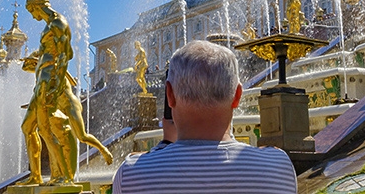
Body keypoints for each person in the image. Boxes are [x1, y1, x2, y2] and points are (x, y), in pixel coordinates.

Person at [112, 40, 297, 194]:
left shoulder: (130, 174)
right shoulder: (278, 167)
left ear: (169, 95)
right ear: (237, 95)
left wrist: (161, 150)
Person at [19, 0, 113, 186]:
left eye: (31, 11)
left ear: (36, 6)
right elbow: (53, 53)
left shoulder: (58, 23)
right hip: (41, 82)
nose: (32, 16)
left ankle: (62, 176)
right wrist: (34, 61)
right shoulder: (48, 27)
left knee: (46, 131)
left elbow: (65, 56)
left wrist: (56, 86)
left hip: (49, 82)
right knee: (28, 127)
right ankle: (36, 176)